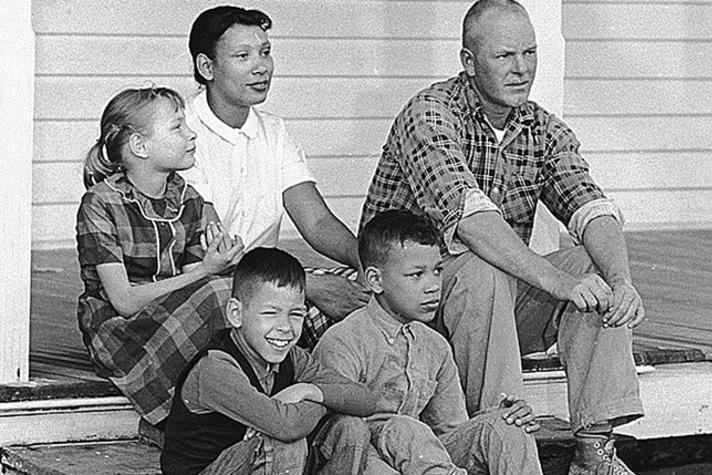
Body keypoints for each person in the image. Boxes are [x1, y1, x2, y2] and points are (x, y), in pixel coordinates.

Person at [360, 1, 645, 473]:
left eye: (530, 53)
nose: (522, 69)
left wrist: (622, 280)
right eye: (505, 56)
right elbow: (471, 221)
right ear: (469, 62)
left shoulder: (541, 127)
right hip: (409, 306)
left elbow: (591, 206)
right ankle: (503, 443)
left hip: (488, 316)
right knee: (480, 267)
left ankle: (594, 453)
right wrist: (557, 282)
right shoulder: (429, 114)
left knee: (595, 268)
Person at [182, 6, 368, 348]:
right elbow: (212, 250)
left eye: (265, 52)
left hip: (270, 284)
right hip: (209, 285)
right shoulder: (182, 132)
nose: (261, 66)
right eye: (243, 55)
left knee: (372, 300)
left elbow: (316, 222)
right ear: (206, 67)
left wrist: (365, 263)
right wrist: (305, 284)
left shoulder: (274, 131)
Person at [313, 210, 543, 474]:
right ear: (375, 280)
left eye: (437, 271)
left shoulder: (435, 346)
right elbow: (338, 439)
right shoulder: (344, 341)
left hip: (422, 460)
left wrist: (500, 418)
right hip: (364, 461)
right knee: (404, 428)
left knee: (507, 424)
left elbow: (451, 431)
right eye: (416, 275)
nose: (433, 286)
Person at [76, 87, 245, 425]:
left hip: (173, 316)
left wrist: (218, 263)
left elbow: (198, 284)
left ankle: (239, 401)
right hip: (121, 330)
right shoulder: (101, 203)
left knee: (246, 294)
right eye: (177, 127)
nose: (191, 133)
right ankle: (193, 418)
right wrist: (208, 273)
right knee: (221, 293)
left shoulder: (188, 198)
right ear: (140, 146)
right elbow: (123, 300)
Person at [161, 247, 378, 475]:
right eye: (270, 313)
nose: (285, 327)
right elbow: (286, 426)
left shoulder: (292, 357)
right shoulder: (216, 367)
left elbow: (366, 400)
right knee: (283, 443)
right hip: (208, 470)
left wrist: (309, 391)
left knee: (350, 427)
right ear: (236, 313)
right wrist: (326, 403)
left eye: (295, 314)